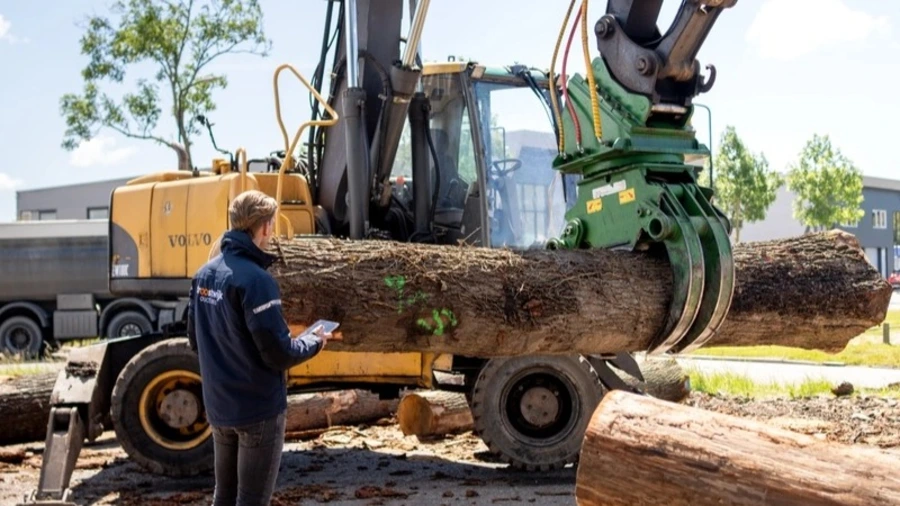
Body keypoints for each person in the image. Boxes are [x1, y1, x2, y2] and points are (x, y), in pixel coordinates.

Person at [187, 189, 331, 506]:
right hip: (257, 411)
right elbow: (279, 353)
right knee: (252, 500)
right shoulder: (256, 281)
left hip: (219, 407)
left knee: (223, 495)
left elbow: (195, 340)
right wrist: (314, 341)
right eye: (272, 225)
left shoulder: (203, 275)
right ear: (264, 227)